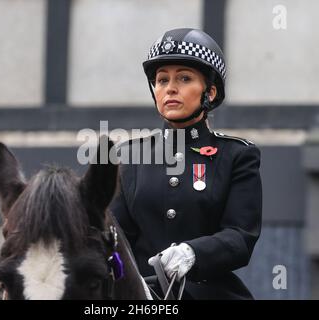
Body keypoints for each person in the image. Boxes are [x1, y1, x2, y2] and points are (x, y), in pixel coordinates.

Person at [110, 28, 262, 300]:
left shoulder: (236, 156)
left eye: (184, 77)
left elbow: (241, 237)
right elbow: (113, 237)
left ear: (210, 92)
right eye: (161, 79)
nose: (170, 88)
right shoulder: (129, 157)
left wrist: (194, 253)